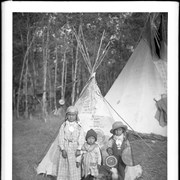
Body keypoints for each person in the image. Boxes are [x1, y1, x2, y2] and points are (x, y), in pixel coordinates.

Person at [57, 106, 85, 180]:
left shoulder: (79, 126)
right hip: (66, 146)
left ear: (76, 116)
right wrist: (62, 149)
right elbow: (60, 137)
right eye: (69, 115)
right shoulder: (64, 125)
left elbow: (81, 137)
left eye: (73, 115)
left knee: (74, 165)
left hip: (75, 147)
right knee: (64, 165)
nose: (71, 117)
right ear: (66, 115)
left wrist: (79, 148)